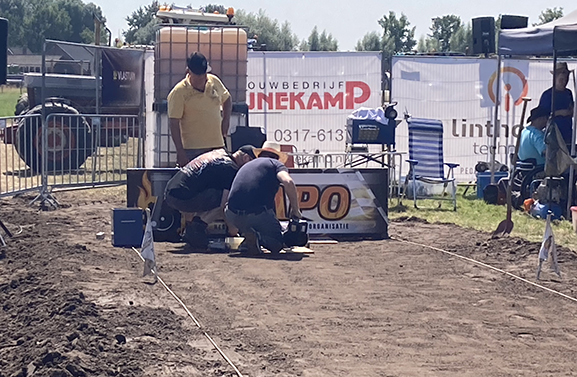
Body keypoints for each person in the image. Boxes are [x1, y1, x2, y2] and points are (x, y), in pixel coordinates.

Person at [164, 145, 256, 248]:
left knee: (203, 190)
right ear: (246, 158)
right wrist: (233, 230)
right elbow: (224, 205)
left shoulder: (219, 153)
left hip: (170, 193)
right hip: (183, 197)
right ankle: (197, 227)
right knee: (227, 196)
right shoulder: (230, 168)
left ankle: (192, 228)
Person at [225, 141, 302, 254]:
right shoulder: (275, 164)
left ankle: (249, 239)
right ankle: (259, 238)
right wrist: (296, 210)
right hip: (257, 213)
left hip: (231, 214)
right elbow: (288, 182)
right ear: (277, 156)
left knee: (250, 224)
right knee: (276, 244)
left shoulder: (247, 165)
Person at [168, 51, 233, 166]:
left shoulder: (214, 81)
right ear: (189, 71)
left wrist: (226, 120)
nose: (202, 78)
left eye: (204, 74)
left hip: (217, 147)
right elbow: (174, 123)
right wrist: (180, 152)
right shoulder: (179, 92)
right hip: (193, 150)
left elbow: (227, 99)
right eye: (198, 75)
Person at [538, 62, 574, 146]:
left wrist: (572, 110)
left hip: (567, 133)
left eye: (566, 79)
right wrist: (559, 113)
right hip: (553, 134)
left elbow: (571, 108)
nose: (564, 82)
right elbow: (542, 116)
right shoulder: (548, 95)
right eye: (561, 80)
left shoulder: (568, 93)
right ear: (555, 78)